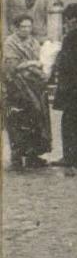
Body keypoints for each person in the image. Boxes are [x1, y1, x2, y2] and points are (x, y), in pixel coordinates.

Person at [2, 14, 53, 170]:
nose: (26, 29)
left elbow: (41, 61)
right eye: (23, 26)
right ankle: (17, 156)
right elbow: (12, 65)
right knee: (17, 120)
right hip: (16, 88)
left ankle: (33, 155)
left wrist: (40, 67)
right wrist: (32, 63)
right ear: (16, 28)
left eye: (29, 26)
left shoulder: (34, 42)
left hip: (34, 87)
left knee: (35, 120)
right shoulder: (10, 43)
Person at [51, 3, 77, 168]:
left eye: (71, 18)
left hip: (71, 87)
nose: (68, 21)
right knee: (75, 121)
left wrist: (58, 62)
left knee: (68, 122)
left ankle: (69, 156)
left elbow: (70, 62)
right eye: (67, 18)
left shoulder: (73, 37)